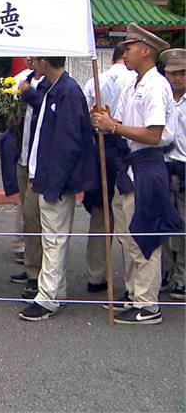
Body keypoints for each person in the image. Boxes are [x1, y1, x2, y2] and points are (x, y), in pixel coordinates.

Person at [91, 24, 181, 325]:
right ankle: (134, 294)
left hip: (148, 165)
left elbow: (154, 133)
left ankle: (147, 303)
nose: (124, 52)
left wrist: (113, 127)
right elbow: (130, 124)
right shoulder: (134, 83)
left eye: (128, 47)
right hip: (131, 164)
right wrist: (108, 119)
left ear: (145, 50)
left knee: (144, 234)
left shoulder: (155, 85)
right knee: (128, 235)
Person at [18, 57, 96, 321]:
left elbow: (68, 144)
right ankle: (54, 291)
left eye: (34, 59)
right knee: (52, 236)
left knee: (54, 238)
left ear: (44, 61)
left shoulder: (68, 91)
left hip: (56, 181)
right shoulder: (54, 88)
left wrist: (53, 182)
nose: (30, 64)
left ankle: (48, 297)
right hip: (46, 176)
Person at [81, 43, 136, 292]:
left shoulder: (94, 81)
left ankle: (97, 274)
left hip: (100, 146)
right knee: (127, 215)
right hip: (126, 146)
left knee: (100, 214)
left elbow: (85, 117)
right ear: (125, 56)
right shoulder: (136, 80)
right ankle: (130, 281)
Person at [8, 58, 51, 299]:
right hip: (23, 156)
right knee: (27, 215)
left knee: (36, 217)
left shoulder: (48, 85)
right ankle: (32, 267)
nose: (31, 60)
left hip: (39, 162)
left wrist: (28, 94)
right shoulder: (25, 79)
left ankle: (39, 273)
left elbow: (46, 106)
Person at [159, 47, 185, 300]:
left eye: (182, 73)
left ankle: (183, 276)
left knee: (185, 226)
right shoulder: (163, 96)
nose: (176, 79)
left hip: (184, 167)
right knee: (163, 224)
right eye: (172, 73)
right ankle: (165, 272)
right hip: (163, 166)